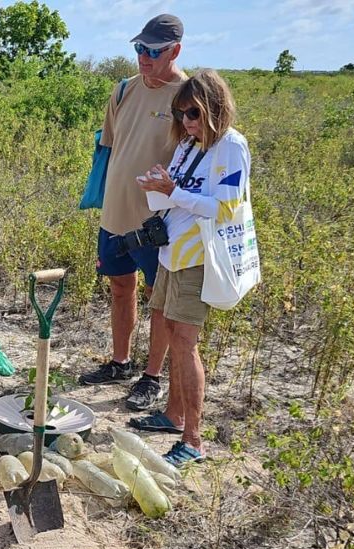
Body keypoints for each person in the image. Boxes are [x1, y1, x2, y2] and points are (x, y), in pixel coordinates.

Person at [131, 70, 251, 467]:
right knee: (166, 327)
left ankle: (193, 440)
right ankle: (173, 414)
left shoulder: (231, 147)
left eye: (194, 113)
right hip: (172, 252)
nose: (187, 121)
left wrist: (175, 192)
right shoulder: (186, 144)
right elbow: (176, 198)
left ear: (215, 108)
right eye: (180, 113)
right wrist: (158, 188)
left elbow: (227, 208)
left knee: (185, 342)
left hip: (199, 257)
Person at [80, 13, 188, 413]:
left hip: (158, 224)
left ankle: (152, 377)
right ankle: (120, 363)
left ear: (175, 50)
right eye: (139, 48)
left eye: (154, 51)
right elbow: (109, 150)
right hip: (115, 214)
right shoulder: (124, 90)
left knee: (158, 299)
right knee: (119, 288)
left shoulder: (187, 96)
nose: (144, 57)